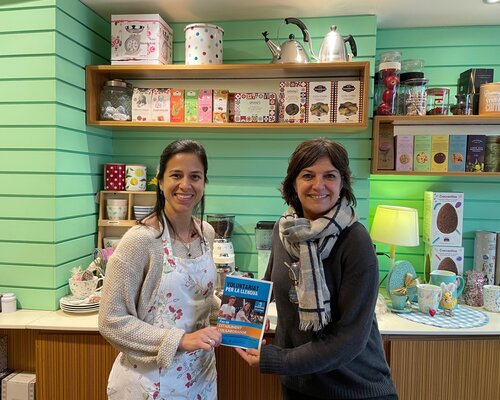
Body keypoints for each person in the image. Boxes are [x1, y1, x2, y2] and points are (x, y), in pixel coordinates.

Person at [235, 138, 398, 400]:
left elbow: (350, 340)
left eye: (329, 176)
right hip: (299, 386)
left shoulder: (355, 240)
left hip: (354, 389)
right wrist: (249, 314)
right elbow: (271, 284)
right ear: (293, 183)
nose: (318, 185)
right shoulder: (284, 230)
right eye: (308, 175)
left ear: (342, 183)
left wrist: (277, 360)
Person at [99, 139, 222, 400]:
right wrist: (179, 340)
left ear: (204, 182)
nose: (185, 185)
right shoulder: (140, 240)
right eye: (176, 175)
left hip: (200, 377)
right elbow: (111, 320)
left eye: (195, 176)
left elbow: (197, 295)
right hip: (149, 383)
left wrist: (237, 317)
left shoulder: (206, 233)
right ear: (161, 181)